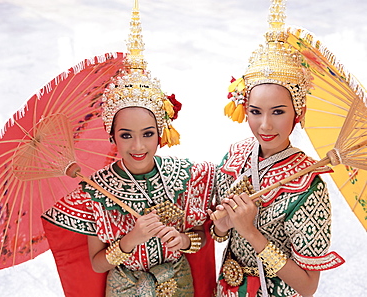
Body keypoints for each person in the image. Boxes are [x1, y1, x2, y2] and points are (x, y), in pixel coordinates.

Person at [41, 2, 216, 297]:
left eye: (148, 134)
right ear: (112, 136)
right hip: (125, 288)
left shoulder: (187, 176)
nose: (138, 146)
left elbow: (203, 236)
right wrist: (130, 240)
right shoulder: (96, 189)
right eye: (126, 135)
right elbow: (97, 264)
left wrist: (184, 241)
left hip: (178, 286)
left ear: (162, 133)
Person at [208, 1, 344, 296]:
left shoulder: (308, 184)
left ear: (299, 111)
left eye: (278, 112)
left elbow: (308, 286)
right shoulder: (234, 157)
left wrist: (250, 232)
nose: (265, 125)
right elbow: (218, 233)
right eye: (255, 112)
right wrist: (223, 225)